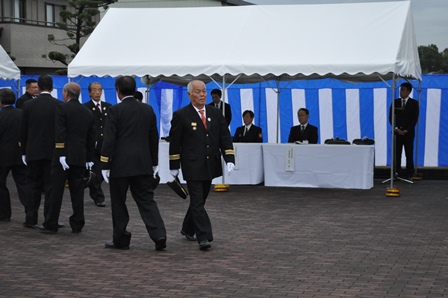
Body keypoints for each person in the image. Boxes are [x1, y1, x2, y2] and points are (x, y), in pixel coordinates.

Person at [101, 75, 166, 251]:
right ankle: (159, 234)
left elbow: (109, 140)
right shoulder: (147, 110)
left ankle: (121, 239)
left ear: (118, 91)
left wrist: (105, 163)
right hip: (142, 163)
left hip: (119, 165)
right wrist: (154, 163)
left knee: (119, 203)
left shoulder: (114, 111)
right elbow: (153, 138)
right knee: (147, 201)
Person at [169, 79, 235, 251]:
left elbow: (224, 137)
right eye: (198, 92)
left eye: (204, 91)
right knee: (197, 201)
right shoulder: (181, 115)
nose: (202, 95)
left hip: (210, 164)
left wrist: (229, 158)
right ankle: (204, 236)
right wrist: (174, 164)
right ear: (190, 94)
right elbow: (175, 142)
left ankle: (187, 228)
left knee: (200, 200)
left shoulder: (215, 112)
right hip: (192, 165)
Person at [38, 83, 95, 234]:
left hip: (62, 156)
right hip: (80, 156)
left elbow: (60, 132)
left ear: (66, 94)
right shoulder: (87, 111)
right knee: (77, 192)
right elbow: (91, 137)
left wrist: (61, 152)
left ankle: (51, 222)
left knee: (55, 190)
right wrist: (89, 158)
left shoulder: (62, 109)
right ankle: (77, 223)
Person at [20, 75, 62, 228]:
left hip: (33, 150)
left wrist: (23, 150)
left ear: (39, 87)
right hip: (52, 152)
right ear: (51, 88)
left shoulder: (28, 105)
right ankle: (50, 219)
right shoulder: (58, 105)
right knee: (50, 187)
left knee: (32, 185)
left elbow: (23, 130)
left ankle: (30, 218)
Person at [0, 89, 28, 222]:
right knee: (23, 184)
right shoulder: (22, 114)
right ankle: (30, 213)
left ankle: (4, 214)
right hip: (19, 153)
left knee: (1, 185)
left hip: (2, 156)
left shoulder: (1, 116)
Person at [83, 82, 111, 207]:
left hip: (105, 144)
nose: (97, 92)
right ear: (89, 92)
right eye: (94, 90)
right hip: (92, 145)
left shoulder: (108, 107)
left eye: (99, 89)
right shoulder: (85, 107)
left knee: (102, 171)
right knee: (95, 171)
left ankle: (94, 189)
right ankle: (97, 196)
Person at [389, 82, 419, 179]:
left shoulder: (414, 103)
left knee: (408, 153)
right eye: (400, 89)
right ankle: (397, 172)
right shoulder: (395, 102)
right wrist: (396, 128)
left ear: (409, 92)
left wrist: (407, 130)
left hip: (408, 133)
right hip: (397, 133)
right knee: (397, 153)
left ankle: (409, 172)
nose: (401, 92)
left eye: (403, 90)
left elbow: (414, 119)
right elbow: (391, 117)